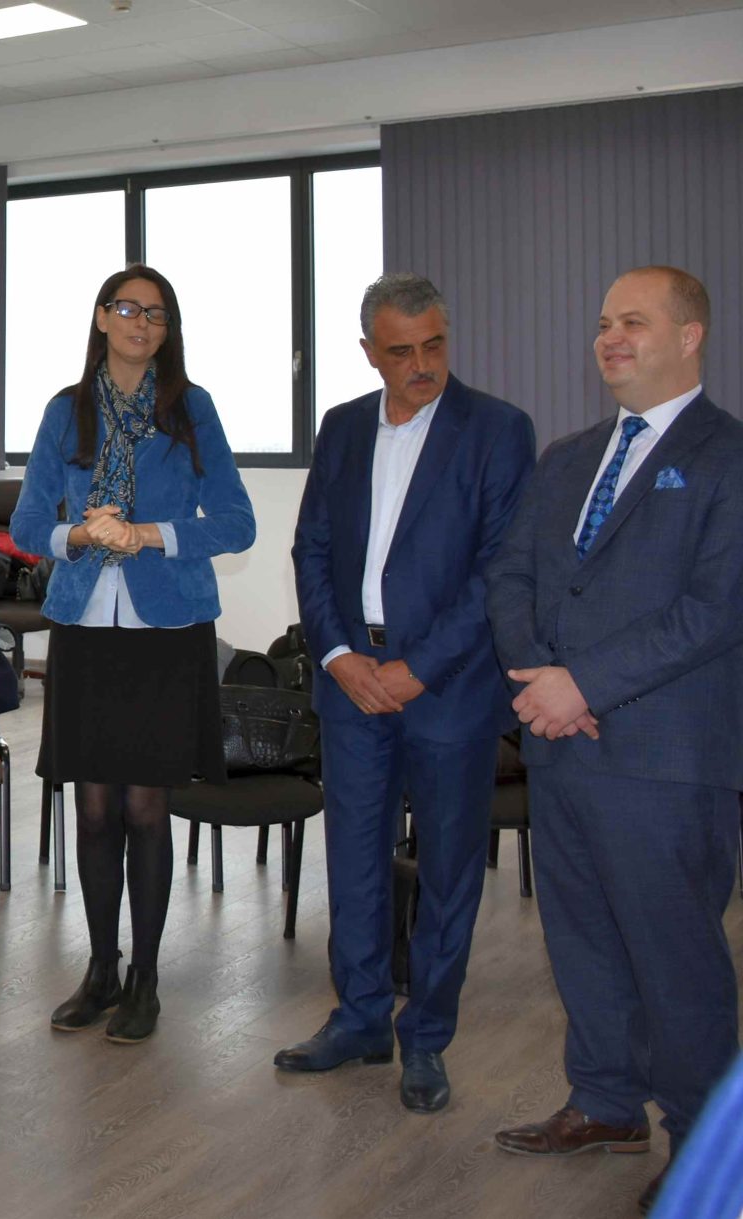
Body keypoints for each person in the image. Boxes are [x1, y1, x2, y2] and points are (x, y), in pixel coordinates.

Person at [486, 266, 742, 1215]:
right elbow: (510, 576)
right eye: (603, 323)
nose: (610, 337)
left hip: (666, 759)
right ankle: (604, 1102)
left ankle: (706, 1148)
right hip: (561, 745)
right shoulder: (567, 457)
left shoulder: (728, 457)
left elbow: (714, 609)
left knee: (677, 963)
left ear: (690, 336)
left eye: (634, 321)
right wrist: (539, 679)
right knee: (583, 940)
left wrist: (583, 684)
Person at [282, 273, 535, 1113]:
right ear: (369, 352)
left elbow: (499, 568)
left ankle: (426, 1036)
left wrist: (417, 667)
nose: (422, 364)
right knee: (355, 857)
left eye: (434, 345)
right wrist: (338, 654)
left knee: (449, 866)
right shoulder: (344, 426)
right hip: (353, 677)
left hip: (448, 684)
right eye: (402, 351)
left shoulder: (497, 429)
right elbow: (313, 548)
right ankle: (359, 1017)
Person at [8, 263, 254, 1044]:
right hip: (84, 624)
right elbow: (25, 527)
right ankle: (101, 969)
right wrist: (80, 533)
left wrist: (149, 534)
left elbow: (237, 521)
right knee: (93, 807)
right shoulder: (67, 411)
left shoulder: (191, 409)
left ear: (167, 330)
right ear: (101, 317)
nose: (141, 323)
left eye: (156, 313)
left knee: (146, 807)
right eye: (128, 308)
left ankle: (146, 978)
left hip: (167, 629)